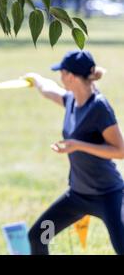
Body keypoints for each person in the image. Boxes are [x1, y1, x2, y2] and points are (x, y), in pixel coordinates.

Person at [24, 50, 124, 255]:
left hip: (108, 195)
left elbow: (120, 150)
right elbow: (49, 90)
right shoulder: (71, 100)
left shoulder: (99, 107)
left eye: (61, 72)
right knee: (38, 236)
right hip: (78, 195)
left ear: (70, 76)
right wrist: (36, 79)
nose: (59, 77)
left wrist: (78, 145)